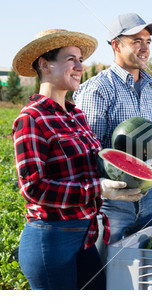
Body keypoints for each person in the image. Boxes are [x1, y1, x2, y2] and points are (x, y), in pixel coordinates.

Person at [11, 29, 143, 290]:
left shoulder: (76, 116)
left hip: (85, 235)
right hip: (51, 239)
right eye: (71, 59)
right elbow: (33, 188)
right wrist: (97, 189)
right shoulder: (31, 118)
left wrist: (139, 170)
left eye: (80, 59)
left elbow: (97, 166)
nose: (80, 66)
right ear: (44, 64)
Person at [73, 14, 152, 252]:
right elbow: (89, 152)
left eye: (148, 42)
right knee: (108, 275)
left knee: (144, 274)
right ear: (116, 45)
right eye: (136, 41)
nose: (144, 48)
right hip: (112, 202)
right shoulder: (97, 89)